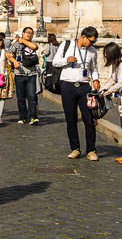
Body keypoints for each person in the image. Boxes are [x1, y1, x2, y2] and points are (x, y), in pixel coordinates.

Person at [52, 26, 100, 160]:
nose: (92, 44)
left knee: (89, 119)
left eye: (94, 42)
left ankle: (91, 150)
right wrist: (66, 60)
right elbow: (55, 62)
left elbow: (94, 68)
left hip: (84, 87)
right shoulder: (66, 45)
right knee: (71, 119)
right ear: (83, 37)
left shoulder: (92, 51)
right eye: (91, 41)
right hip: (67, 86)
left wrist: (96, 79)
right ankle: (75, 149)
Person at [10, 26, 41, 124]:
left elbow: (34, 47)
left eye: (31, 33)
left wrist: (22, 40)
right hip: (19, 73)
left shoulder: (32, 43)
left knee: (32, 96)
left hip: (31, 74)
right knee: (21, 97)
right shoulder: (16, 44)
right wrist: (14, 61)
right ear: (23, 33)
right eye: (27, 32)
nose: (29, 34)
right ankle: (22, 116)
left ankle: (33, 117)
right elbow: (8, 53)